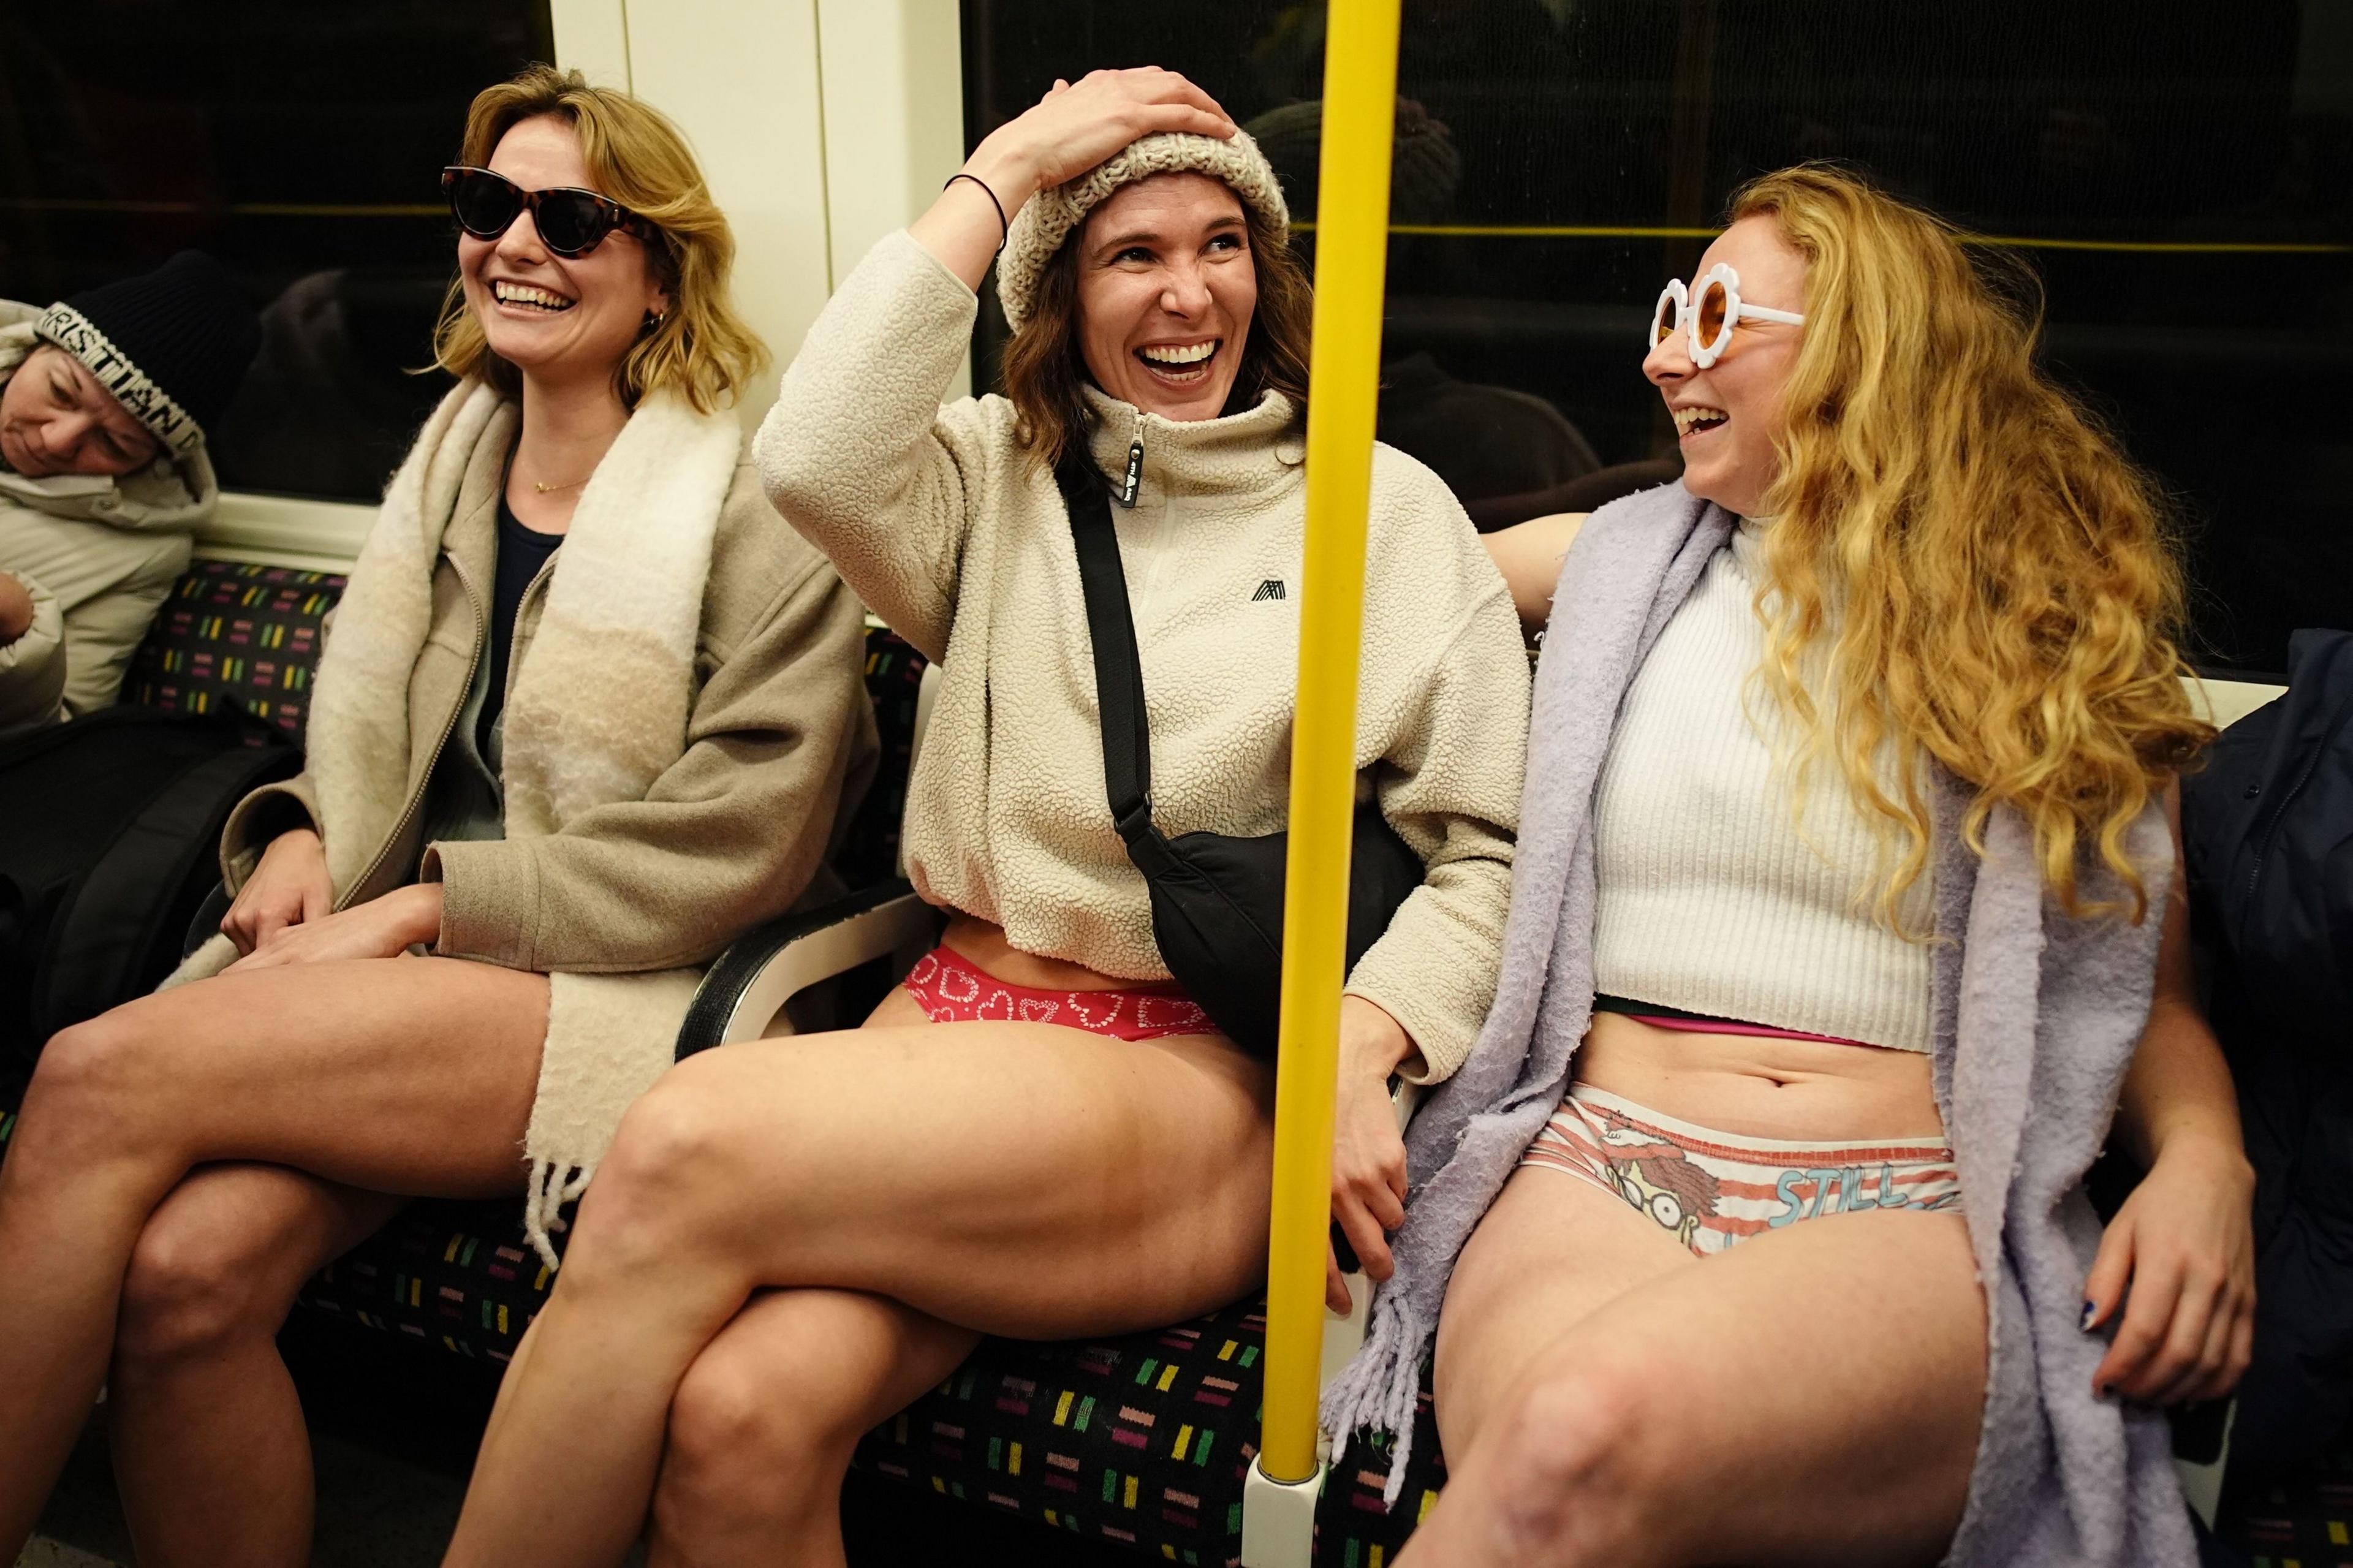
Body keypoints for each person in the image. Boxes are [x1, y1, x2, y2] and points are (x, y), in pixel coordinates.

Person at [438, 67, 1529, 1567]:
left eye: (1219, 243)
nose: (1184, 291)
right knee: (739, 1419)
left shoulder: (1377, 509)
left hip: (1186, 1065)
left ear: (1262, 274)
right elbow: (810, 453)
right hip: (947, 1021)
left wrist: (1364, 1037)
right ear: (1062, 298)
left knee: (682, 1134)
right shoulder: (988, 479)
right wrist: (1005, 166)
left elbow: (1489, 848)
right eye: (1128, 254)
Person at [0, 64, 875, 1567]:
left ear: (657, 267)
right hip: (401, 968)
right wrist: (296, 831)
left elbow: (747, 844)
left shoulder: (757, 504)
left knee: (90, 1078)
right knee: (181, 1277)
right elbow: (381, 764)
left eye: (570, 215)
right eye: (487, 205)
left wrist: (417, 909)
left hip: (610, 983)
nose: (515, 243)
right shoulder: (451, 465)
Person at [1320, 164, 2257, 1567]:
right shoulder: (1611, 567)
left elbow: (2145, 998)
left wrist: (2205, 1163)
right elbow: (1320, 618)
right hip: (1598, 1166)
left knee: (1572, 1437)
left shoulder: (2045, 638)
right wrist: (1352, 1024)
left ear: (1861, 346)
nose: (1658, 354)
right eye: (1664, 314)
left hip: (1905, 1202)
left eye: (1709, 315)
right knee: (1567, 1463)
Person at [0, 251, 260, 736]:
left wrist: (20, 624)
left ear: (150, 461)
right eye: (60, 390)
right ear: (35, 348)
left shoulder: (143, 549)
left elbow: (60, 734)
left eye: (114, 444)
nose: (57, 439)